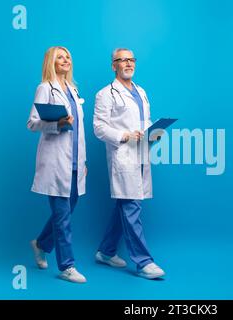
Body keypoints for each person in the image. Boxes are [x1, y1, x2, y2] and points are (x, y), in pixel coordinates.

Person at [93, 48, 165, 279]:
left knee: (123, 206)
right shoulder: (105, 94)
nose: (128, 63)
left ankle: (105, 252)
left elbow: (144, 121)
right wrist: (124, 135)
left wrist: (153, 132)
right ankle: (143, 262)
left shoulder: (141, 91)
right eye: (122, 60)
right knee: (131, 206)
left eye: (131, 59)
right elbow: (99, 128)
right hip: (122, 156)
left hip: (141, 155)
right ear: (113, 65)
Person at [27, 46, 87, 283]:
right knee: (62, 216)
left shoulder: (73, 90)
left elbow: (79, 131)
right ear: (51, 62)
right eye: (60, 57)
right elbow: (32, 123)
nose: (65, 60)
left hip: (75, 162)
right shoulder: (45, 88)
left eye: (68, 57)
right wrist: (57, 124)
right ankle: (67, 266)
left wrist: (83, 161)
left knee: (68, 209)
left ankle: (41, 243)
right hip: (54, 162)